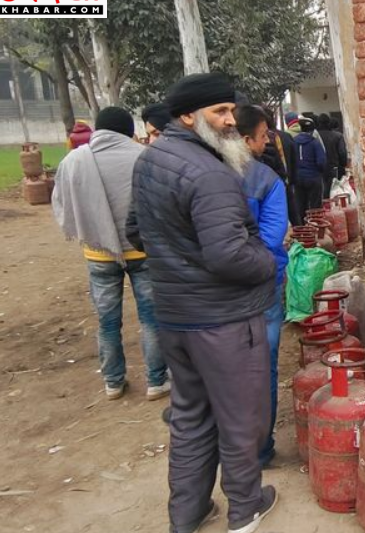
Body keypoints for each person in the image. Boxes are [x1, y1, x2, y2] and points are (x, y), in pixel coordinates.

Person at [127, 73, 278, 533]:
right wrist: (267, 261)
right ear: (189, 116)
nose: (231, 120)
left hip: (176, 316)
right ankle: (245, 507)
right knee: (240, 417)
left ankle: (188, 512)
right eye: (220, 112)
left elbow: (136, 232)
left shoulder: (151, 160)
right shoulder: (211, 173)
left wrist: (181, 260)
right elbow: (229, 255)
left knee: (190, 416)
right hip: (222, 320)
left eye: (231, 110)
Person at [51, 106, 168, 401]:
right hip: (142, 252)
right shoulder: (145, 156)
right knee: (151, 318)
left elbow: (61, 202)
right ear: (129, 130)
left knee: (107, 321)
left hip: (99, 253)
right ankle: (156, 381)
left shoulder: (74, 160)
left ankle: (113, 382)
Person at [236, 104, 289, 467]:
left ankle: (231, 446)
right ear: (245, 139)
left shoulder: (199, 173)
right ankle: (259, 449)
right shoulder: (265, 179)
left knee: (225, 368)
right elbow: (270, 240)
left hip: (215, 289)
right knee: (262, 366)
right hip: (261, 286)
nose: (268, 140)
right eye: (263, 135)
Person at [293, 117, 326, 219]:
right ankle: (315, 223)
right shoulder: (315, 143)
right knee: (315, 206)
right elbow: (321, 162)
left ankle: (303, 225)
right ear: (312, 130)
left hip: (298, 178)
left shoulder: (293, 141)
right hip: (313, 177)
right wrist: (320, 172)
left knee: (300, 204)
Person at [315, 113, 349, 198]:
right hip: (335, 168)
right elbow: (342, 153)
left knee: (322, 194)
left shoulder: (314, 136)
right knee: (336, 193)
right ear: (328, 122)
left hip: (319, 169)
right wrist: (343, 164)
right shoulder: (338, 136)